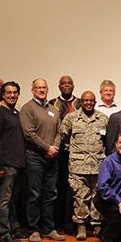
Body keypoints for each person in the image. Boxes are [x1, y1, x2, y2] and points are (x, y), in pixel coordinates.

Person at [19, 78, 65, 242]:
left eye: (44, 87)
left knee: (51, 194)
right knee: (35, 194)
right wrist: (47, 148)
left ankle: (48, 228)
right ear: (32, 90)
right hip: (35, 157)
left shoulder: (53, 109)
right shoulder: (28, 108)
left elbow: (60, 131)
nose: (41, 90)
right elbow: (29, 134)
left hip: (52, 158)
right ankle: (33, 230)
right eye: (38, 87)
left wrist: (55, 148)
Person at [60, 91, 109, 240]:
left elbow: (107, 141)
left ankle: (96, 226)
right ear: (81, 102)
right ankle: (81, 226)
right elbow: (63, 137)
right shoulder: (71, 118)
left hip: (98, 166)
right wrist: (74, 151)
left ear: (95, 102)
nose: (88, 103)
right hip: (78, 167)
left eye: (91, 101)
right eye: (85, 101)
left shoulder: (103, 119)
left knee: (97, 197)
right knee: (80, 198)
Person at [0, 81, 25, 242]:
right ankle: (3, 233)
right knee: (3, 200)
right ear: (2, 95)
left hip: (17, 163)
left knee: (12, 200)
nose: (12, 95)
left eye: (15, 92)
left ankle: (14, 229)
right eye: (8, 93)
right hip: (6, 164)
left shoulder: (15, 112)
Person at [48, 75, 81, 233]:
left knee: (73, 190)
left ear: (73, 86)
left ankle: (71, 224)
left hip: (75, 153)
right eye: (63, 83)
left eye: (69, 83)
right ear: (59, 86)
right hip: (56, 152)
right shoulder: (52, 104)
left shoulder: (80, 103)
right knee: (57, 188)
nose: (67, 85)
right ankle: (57, 223)